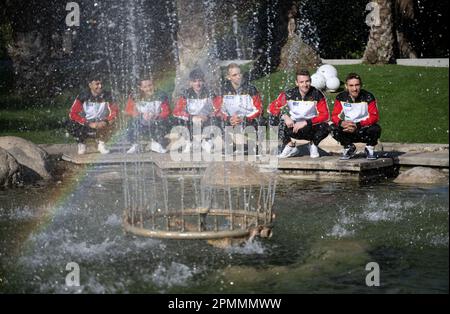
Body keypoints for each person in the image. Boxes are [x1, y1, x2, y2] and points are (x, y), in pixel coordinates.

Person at [268, 69, 330, 158]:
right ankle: (290, 146)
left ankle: (313, 144)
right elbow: (271, 107)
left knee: (327, 126)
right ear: (297, 83)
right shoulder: (289, 94)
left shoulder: (317, 94)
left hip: (311, 128)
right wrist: (284, 116)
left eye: (307, 81)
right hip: (294, 128)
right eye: (301, 82)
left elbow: (325, 115)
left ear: (310, 81)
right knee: (272, 119)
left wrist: (306, 122)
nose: (305, 85)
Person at [214, 63, 264, 153]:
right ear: (228, 77)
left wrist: (244, 118)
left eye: (239, 74)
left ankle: (242, 144)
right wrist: (229, 119)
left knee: (261, 120)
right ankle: (243, 145)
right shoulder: (223, 90)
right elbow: (218, 110)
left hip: (247, 122)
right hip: (230, 123)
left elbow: (259, 110)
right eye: (234, 75)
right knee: (216, 121)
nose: (238, 77)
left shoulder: (251, 89)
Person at [331, 73, 381, 160]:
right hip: (348, 129)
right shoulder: (341, 97)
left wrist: (357, 125)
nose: (354, 89)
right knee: (332, 128)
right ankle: (349, 147)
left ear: (361, 85)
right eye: (351, 85)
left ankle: (369, 148)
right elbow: (334, 116)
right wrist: (342, 123)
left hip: (363, 128)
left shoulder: (368, 97)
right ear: (346, 86)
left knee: (376, 128)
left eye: (357, 85)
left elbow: (374, 117)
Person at [67, 74, 119, 155]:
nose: (100, 86)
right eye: (97, 84)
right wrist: (88, 123)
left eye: (101, 84)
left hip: (102, 122)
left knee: (116, 121)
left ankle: (101, 143)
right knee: (70, 123)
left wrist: (105, 121)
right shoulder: (83, 96)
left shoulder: (108, 96)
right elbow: (72, 114)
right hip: (86, 123)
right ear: (90, 85)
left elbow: (115, 112)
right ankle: (81, 143)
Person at [173, 68, 220, 153]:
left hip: (206, 120)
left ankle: (207, 141)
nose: (198, 84)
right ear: (190, 83)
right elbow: (177, 112)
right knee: (179, 120)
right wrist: (192, 117)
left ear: (204, 81)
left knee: (215, 120)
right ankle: (189, 142)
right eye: (195, 81)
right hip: (191, 121)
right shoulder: (186, 94)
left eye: (200, 81)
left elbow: (219, 108)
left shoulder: (210, 93)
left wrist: (207, 116)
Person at [125, 76, 171, 154]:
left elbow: (166, 111)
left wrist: (157, 116)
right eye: (145, 87)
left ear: (154, 84)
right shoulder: (135, 96)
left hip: (157, 120)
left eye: (150, 85)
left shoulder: (161, 95)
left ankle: (157, 142)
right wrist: (141, 115)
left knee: (165, 121)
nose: (149, 89)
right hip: (142, 120)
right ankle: (136, 143)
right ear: (140, 88)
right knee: (131, 121)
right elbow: (129, 111)